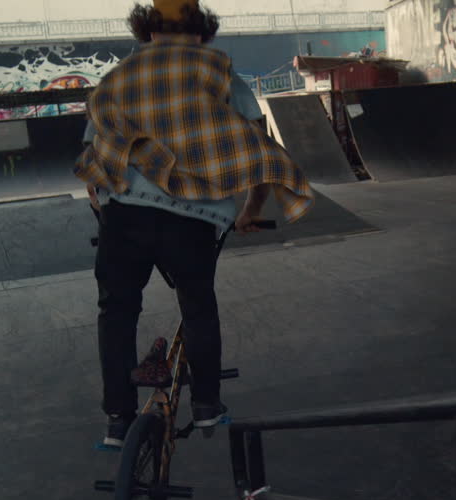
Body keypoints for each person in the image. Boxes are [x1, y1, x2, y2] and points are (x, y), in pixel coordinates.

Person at [76, 0, 313, 449]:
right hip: (194, 220)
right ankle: (206, 406)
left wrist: (108, 216)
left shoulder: (117, 80)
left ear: (145, 31)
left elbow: (94, 161)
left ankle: (117, 419)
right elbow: (260, 148)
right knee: (198, 305)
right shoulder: (219, 73)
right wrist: (250, 210)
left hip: (124, 216)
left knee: (117, 311)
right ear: (203, 32)